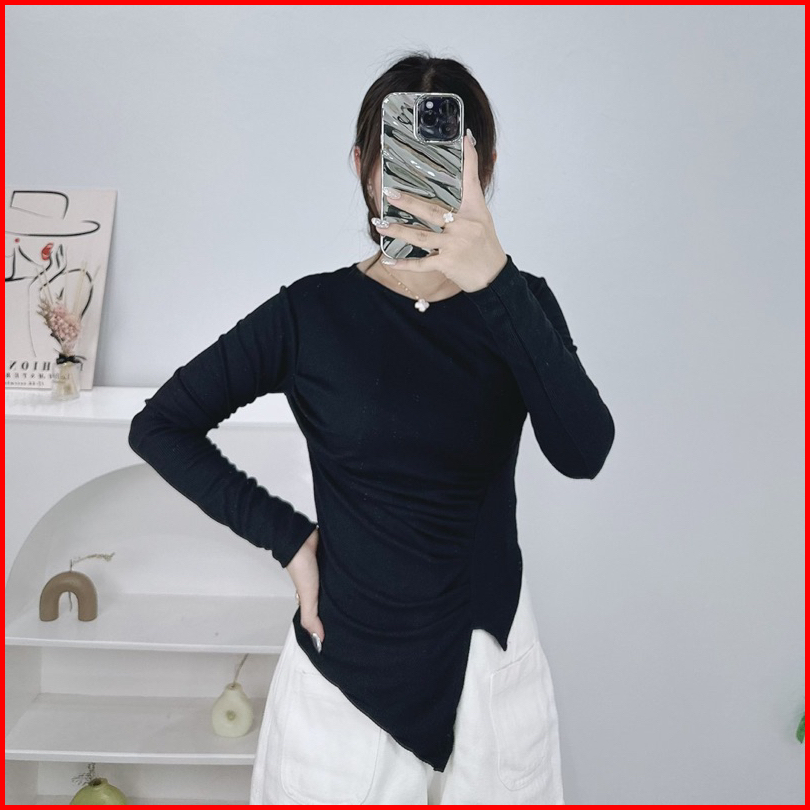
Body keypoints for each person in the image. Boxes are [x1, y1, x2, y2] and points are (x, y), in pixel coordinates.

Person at [128, 51, 615, 805]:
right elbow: (161, 425)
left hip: (488, 676)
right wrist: (290, 541)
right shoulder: (309, 314)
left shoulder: (522, 305)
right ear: (362, 165)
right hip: (339, 688)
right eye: (397, 161)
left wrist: (498, 282)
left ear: (482, 170)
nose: (417, 182)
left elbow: (584, 452)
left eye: (441, 161)